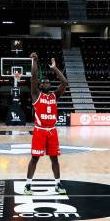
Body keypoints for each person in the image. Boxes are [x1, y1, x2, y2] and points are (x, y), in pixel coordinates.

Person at [24, 53, 68, 195]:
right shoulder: (36, 95)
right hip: (40, 130)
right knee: (35, 158)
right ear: (40, 85)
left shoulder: (55, 96)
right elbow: (34, 77)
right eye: (44, 82)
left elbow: (64, 83)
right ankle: (28, 185)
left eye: (48, 82)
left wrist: (55, 68)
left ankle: (58, 184)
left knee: (54, 158)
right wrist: (35, 61)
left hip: (52, 131)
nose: (46, 83)